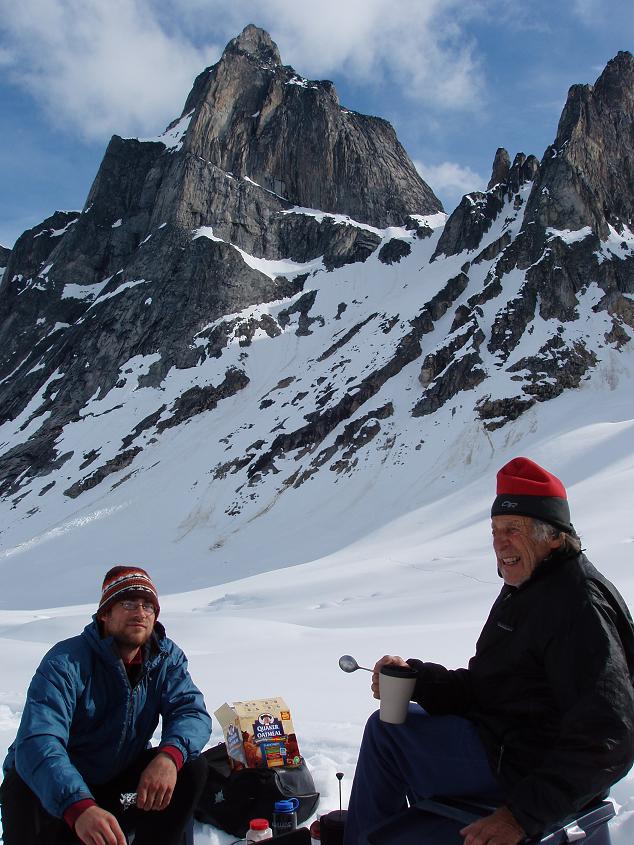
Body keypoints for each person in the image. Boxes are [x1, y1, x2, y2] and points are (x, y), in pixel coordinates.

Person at [344, 457, 634, 845]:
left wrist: (519, 817)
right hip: (504, 743)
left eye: (513, 529)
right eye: (495, 530)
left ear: (554, 536)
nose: (499, 543)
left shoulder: (576, 606)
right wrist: (419, 680)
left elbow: (609, 738)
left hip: (524, 767)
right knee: (387, 728)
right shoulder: (531, 585)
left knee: (387, 738)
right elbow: (492, 686)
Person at [1, 565, 212, 845]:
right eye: (128, 603)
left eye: (148, 606)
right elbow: (39, 741)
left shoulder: (165, 657)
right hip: (59, 795)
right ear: (105, 614)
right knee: (21, 784)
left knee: (190, 766)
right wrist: (78, 806)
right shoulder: (66, 661)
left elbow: (190, 710)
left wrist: (168, 758)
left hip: (115, 781)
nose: (140, 613)